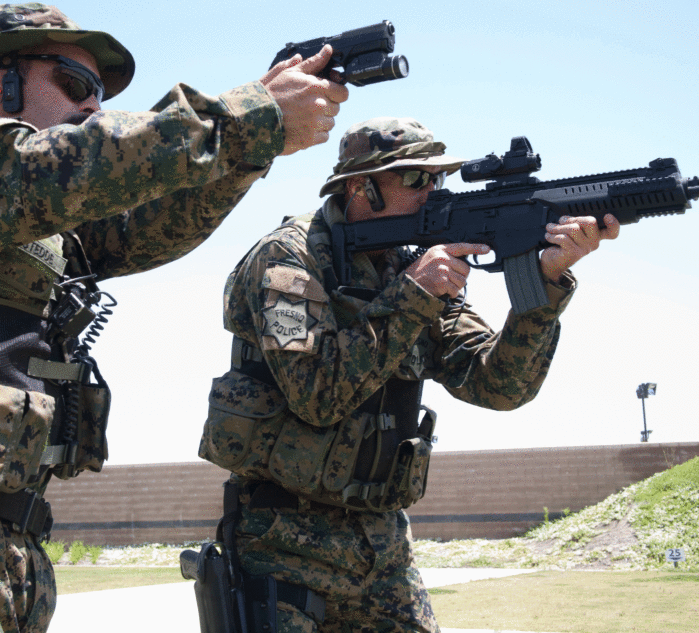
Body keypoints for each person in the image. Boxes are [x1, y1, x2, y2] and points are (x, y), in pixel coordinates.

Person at [0, 2, 349, 632]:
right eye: (76, 86)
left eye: (99, 95)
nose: (93, 108)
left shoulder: (32, 217)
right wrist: (250, 118)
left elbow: (146, 225)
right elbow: (56, 169)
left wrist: (247, 149)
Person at [197, 117, 620, 632]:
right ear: (360, 187)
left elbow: (498, 385)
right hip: (283, 544)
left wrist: (544, 289)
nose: (432, 192)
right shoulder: (288, 259)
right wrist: (414, 295)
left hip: (382, 545)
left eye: (437, 179)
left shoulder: (410, 267)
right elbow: (316, 396)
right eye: (416, 179)